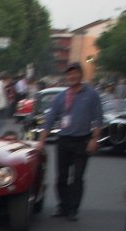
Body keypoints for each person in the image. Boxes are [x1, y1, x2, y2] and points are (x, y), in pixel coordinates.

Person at [37, 62, 103, 222]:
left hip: (83, 140)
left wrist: (95, 140)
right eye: (69, 74)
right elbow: (50, 120)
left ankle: (73, 209)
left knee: (78, 177)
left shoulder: (91, 95)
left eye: (75, 73)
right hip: (64, 140)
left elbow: (99, 119)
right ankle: (63, 205)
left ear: (81, 75)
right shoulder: (61, 97)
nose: (72, 77)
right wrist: (41, 141)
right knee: (61, 176)